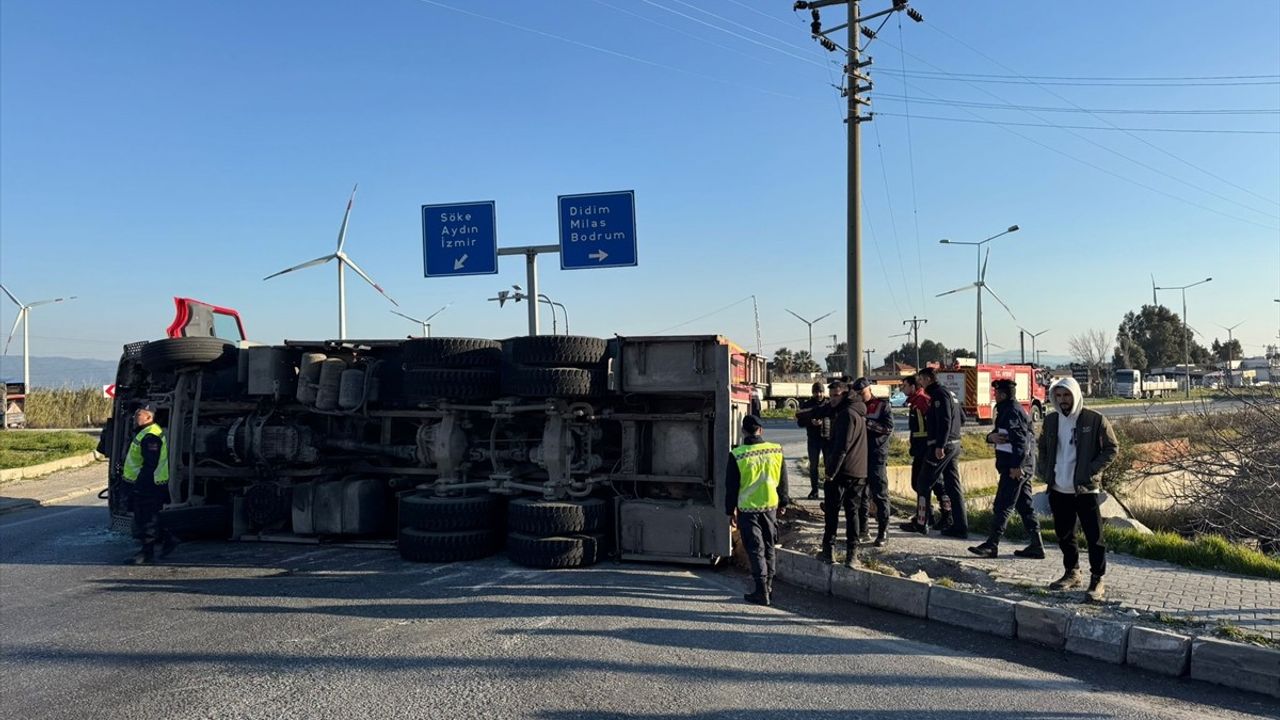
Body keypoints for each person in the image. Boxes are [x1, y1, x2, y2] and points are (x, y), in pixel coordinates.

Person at [1037, 377, 1118, 602]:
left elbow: (1111, 448)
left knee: (1094, 536)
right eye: (1059, 396)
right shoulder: (1052, 421)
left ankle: (1097, 578)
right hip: (1058, 488)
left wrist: (1091, 471)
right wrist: (1045, 471)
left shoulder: (1094, 419)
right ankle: (1072, 572)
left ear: (1076, 395)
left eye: (1067, 395)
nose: (1063, 400)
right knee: (1064, 534)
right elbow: (1042, 447)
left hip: (1084, 489)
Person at [969, 379, 1044, 559]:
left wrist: (1017, 466)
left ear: (1002, 394)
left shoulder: (1011, 412)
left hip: (1015, 468)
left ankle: (991, 545)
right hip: (1017, 466)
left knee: (1003, 505)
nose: (994, 395)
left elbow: (1022, 442)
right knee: (1025, 507)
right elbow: (999, 436)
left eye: (996, 393)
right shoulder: (1007, 410)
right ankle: (1036, 545)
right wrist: (990, 437)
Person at [725, 415, 790, 606]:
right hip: (770, 506)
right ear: (760, 430)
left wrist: (730, 511)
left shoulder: (737, 454)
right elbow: (783, 479)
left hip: (748, 509)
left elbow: (731, 487)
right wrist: (784, 502)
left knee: (755, 550)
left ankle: (761, 591)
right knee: (769, 547)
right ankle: (768, 587)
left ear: (744, 431)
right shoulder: (775, 450)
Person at [807, 378, 868, 567]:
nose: (831, 399)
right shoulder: (856, 410)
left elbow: (842, 447)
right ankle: (851, 554)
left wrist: (830, 472)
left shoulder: (846, 415)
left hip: (843, 472)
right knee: (852, 513)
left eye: (835, 396)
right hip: (858, 470)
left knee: (835, 512)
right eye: (830, 395)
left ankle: (833, 551)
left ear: (843, 394)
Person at [121, 401, 178, 565]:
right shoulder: (145, 432)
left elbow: (150, 464)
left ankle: (147, 553)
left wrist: (140, 485)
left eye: (138, 414)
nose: (135, 417)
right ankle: (168, 539)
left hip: (149, 484)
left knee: (146, 518)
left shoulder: (150, 435)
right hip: (146, 482)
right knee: (145, 516)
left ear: (148, 416)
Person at [920, 367, 968, 538]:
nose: (920, 383)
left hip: (943, 446)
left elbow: (946, 419)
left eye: (921, 380)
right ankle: (960, 526)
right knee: (953, 487)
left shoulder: (939, 395)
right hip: (954, 444)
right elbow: (962, 418)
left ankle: (921, 522)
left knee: (923, 483)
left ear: (927, 379)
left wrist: (940, 444)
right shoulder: (950, 393)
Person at [898, 374, 947, 534]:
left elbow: (929, 426)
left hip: (926, 449)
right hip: (920, 448)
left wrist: (930, 446)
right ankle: (929, 514)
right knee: (921, 484)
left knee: (928, 484)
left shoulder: (922, 401)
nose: (902, 389)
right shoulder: (915, 402)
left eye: (905, 386)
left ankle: (937, 516)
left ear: (913, 386)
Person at [855, 379, 894, 547]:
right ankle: (863, 529)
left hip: (877, 455)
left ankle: (883, 531)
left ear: (869, 389)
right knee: (861, 495)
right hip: (860, 456)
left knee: (879, 494)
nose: (860, 396)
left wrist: (867, 424)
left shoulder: (881, 406)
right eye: (857, 394)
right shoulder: (856, 407)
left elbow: (888, 429)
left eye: (862, 393)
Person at [795, 381, 831, 500]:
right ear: (813, 393)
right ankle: (814, 490)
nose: (819, 394)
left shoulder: (829, 404)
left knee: (828, 467)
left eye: (820, 392)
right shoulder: (807, 405)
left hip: (827, 439)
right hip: (813, 439)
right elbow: (800, 421)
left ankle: (829, 492)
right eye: (816, 392)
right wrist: (811, 422)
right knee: (813, 466)